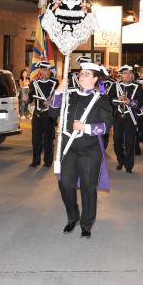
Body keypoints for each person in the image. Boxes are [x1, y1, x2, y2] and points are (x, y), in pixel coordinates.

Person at [48, 62, 113, 239]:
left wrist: (86, 127)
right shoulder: (69, 95)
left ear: (95, 78)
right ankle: (73, 217)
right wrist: (59, 92)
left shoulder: (101, 99)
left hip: (90, 150)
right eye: (81, 73)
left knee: (88, 187)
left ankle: (86, 224)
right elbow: (52, 113)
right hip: (69, 149)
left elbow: (107, 126)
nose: (81, 76)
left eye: (86, 74)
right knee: (65, 184)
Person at [108, 65, 143, 173]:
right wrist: (117, 99)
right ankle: (120, 160)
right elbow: (109, 99)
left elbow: (141, 101)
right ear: (121, 75)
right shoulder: (116, 85)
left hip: (130, 117)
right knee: (116, 141)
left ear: (132, 75)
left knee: (130, 142)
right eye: (125, 73)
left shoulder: (137, 86)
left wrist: (130, 102)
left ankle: (129, 165)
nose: (127, 75)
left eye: (129, 73)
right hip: (118, 117)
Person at [27, 61, 59, 167]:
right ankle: (35, 161)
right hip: (37, 114)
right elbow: (30, 96)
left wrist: (51, 101)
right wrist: (27, 99)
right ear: (40, 71)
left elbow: (59, 97)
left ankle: (48, 161)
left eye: (49, 70)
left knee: (48, 139)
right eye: (45, 70)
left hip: (49, 114)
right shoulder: (34, 83)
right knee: (36, 139)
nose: (47, 72)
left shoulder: (55, 83)